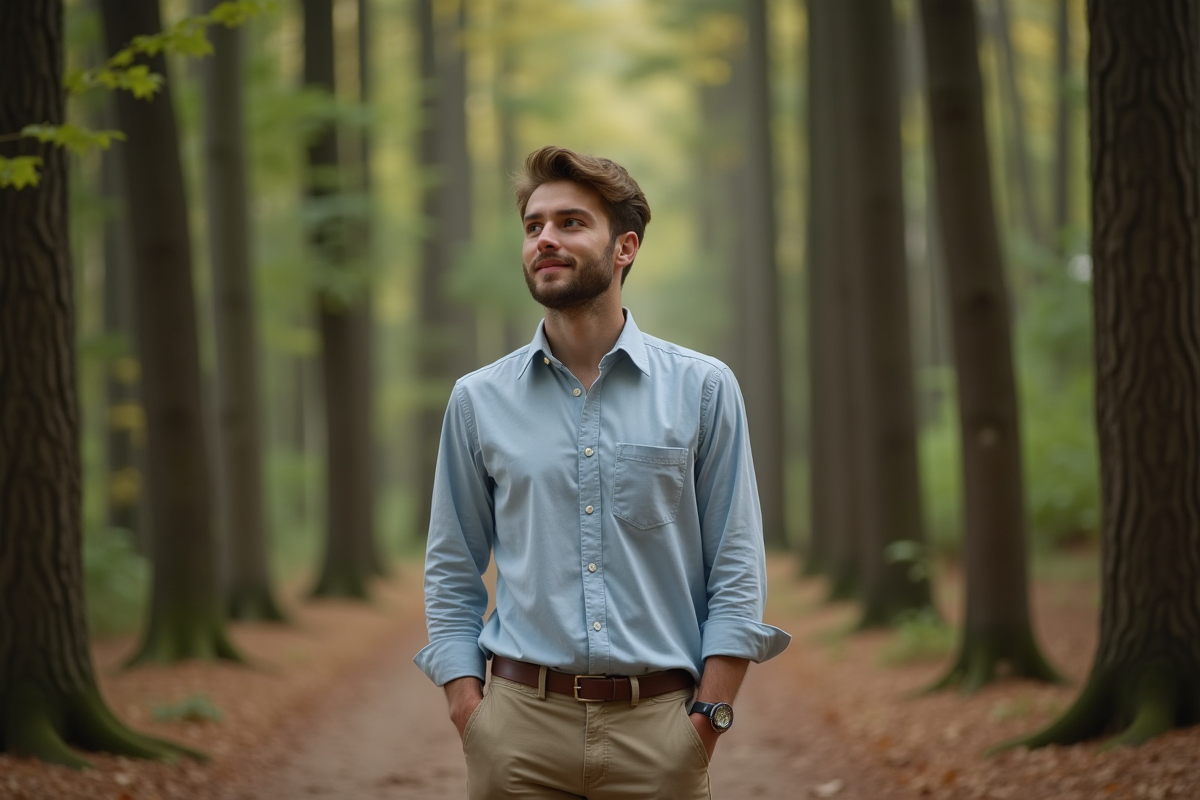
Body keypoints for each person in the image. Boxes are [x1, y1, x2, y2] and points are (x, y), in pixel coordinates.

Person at [415, 144, 790, 799]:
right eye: (533, 227)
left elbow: (736, 562)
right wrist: (469, 708)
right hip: (518, 732)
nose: (546, 240)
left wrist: (709, 717)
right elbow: (452, 566)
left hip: (662, 732)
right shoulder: (478, 399)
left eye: (570, 223)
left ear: (625, 248)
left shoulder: (702, 389)